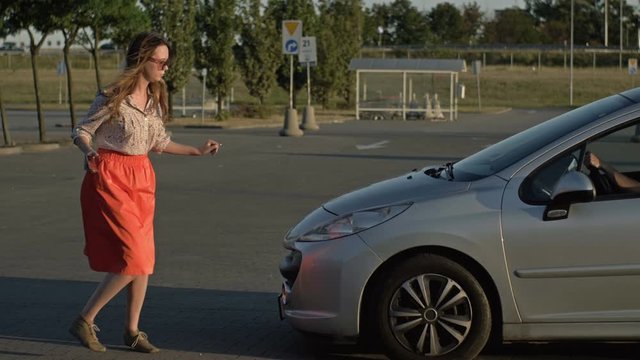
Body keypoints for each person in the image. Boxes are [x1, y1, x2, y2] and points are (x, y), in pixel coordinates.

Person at [69, 32, 221, 353]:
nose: (166, 68)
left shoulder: (153, 100)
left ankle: (132, 331)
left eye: (168, 62)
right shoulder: (113, 97)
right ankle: (85, 319)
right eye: (161, 62)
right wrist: (89, 151)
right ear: (143, 61)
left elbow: (159, 142)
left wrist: (197, 150)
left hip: (142, 179)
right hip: (111, 176)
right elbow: (82, 130)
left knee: (144, 260)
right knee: (134, 256)